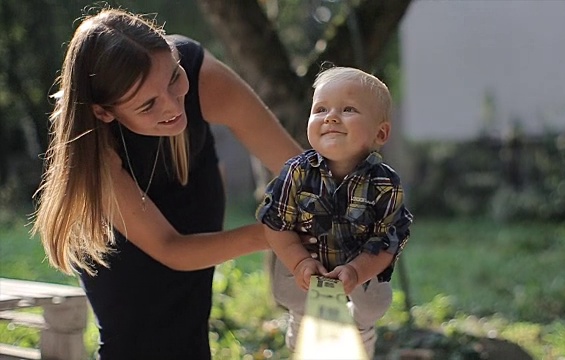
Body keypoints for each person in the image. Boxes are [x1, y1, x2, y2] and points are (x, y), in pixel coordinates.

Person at [30, 7, 303, 360]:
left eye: (174, 78)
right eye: (148, 105)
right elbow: (172, 247)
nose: (174, 106)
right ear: (104, 112)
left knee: (189, 333)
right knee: (140, 342)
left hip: (192, 212)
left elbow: (298, 168)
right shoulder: (93, 148)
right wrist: (272, 233)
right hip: (131, 266)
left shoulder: (199, 73)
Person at [256, 66, 414, 358]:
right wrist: (300, 262)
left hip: (362, 260)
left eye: (348, 109)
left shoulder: (385, 184)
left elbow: (387, 241)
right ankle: (302, 318)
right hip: (304, 258)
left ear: (381, 133)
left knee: (375, 302)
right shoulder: (296, 172)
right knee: (288, 291)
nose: (330, 117)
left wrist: (357, 271)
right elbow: (275, 224)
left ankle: (361, 327)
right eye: (321, 109)